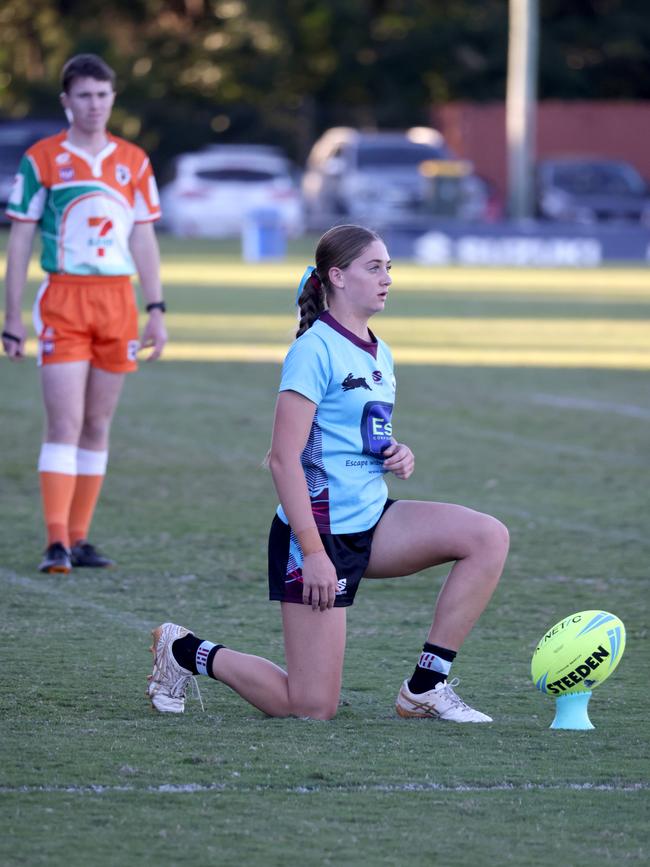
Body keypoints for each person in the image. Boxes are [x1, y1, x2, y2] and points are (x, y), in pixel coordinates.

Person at [147, 225, 509, 722]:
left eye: (389, 268)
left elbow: (365, 436)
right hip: (315, 535)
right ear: (336, 276)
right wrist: (315, 553)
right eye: (374, 268)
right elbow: (282, 457)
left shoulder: (380, 351)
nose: (386, 279)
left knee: (487, 537)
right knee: (312, 708)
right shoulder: (313, 350)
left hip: (372, 520)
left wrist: (396, 452)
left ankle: (425, 687)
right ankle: (185, 651)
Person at [2, 53, 167, 574]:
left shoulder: (134, 161)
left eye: (102, 95)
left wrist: (156, 308)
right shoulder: (43, 159)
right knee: (65, 422)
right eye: (84, 96)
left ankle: (79, 538)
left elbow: (144, 237)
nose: (94, 105)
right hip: (64, 300)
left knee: (97, 423)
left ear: (112, 98)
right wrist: (11, 315)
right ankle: (54, 541)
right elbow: (22, 240)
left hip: (117, 302)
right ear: (66, 101)